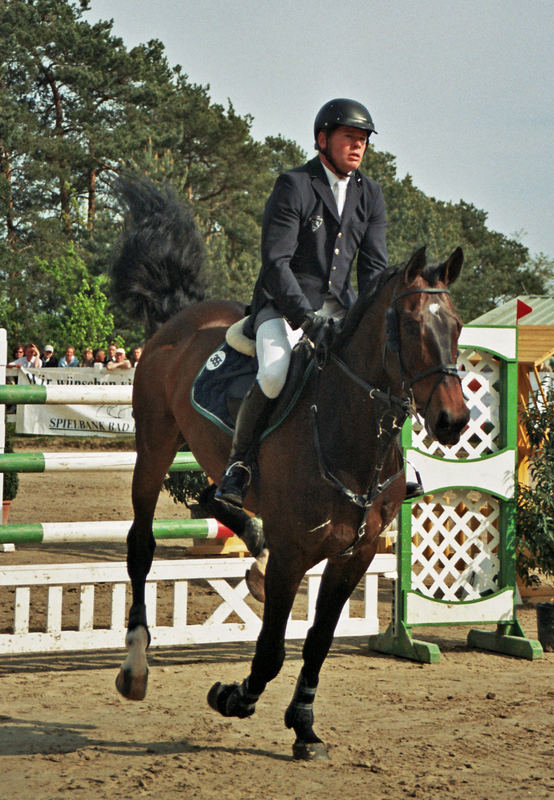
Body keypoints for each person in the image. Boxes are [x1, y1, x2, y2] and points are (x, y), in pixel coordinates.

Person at [215, 98, 388, 508]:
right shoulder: (295, 184)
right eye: (350, 137)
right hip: (283, 303)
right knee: (275, 372)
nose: (358, 146)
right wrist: (305, 318)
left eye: (363, 140)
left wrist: (372, 320)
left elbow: (374, 270)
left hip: (340, 306)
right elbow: (275, 262)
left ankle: (394, 464)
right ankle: (238, 466)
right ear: (322, 139)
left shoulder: (371, 194)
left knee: (382, 366)